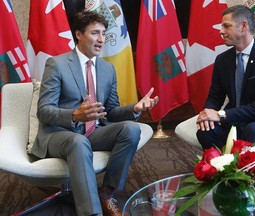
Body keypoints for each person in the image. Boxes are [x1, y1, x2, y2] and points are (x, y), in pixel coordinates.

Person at [30, 10, 159, 216]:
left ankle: (107, 193)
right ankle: (92, 213)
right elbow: (44, 111)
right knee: (78, 142)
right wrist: (74, 115)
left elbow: (112, 112)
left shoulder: (108, 69)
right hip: (58, 134)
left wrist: (135, 109)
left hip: (93, 132)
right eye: (95, 33)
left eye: (103, 33)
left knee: (131, 130)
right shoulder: (57, 64)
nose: (101, 39)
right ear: (79, 35)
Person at [196, 5, 255, 149]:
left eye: (226, 26)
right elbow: (215, 97)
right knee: (205, 132)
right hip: (235, 119)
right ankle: (222, 168)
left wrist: (221, 114)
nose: (221, 31)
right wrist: (207, 114)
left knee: (253, 130)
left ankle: (247, 169)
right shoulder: (222, 60)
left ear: (244, 26)